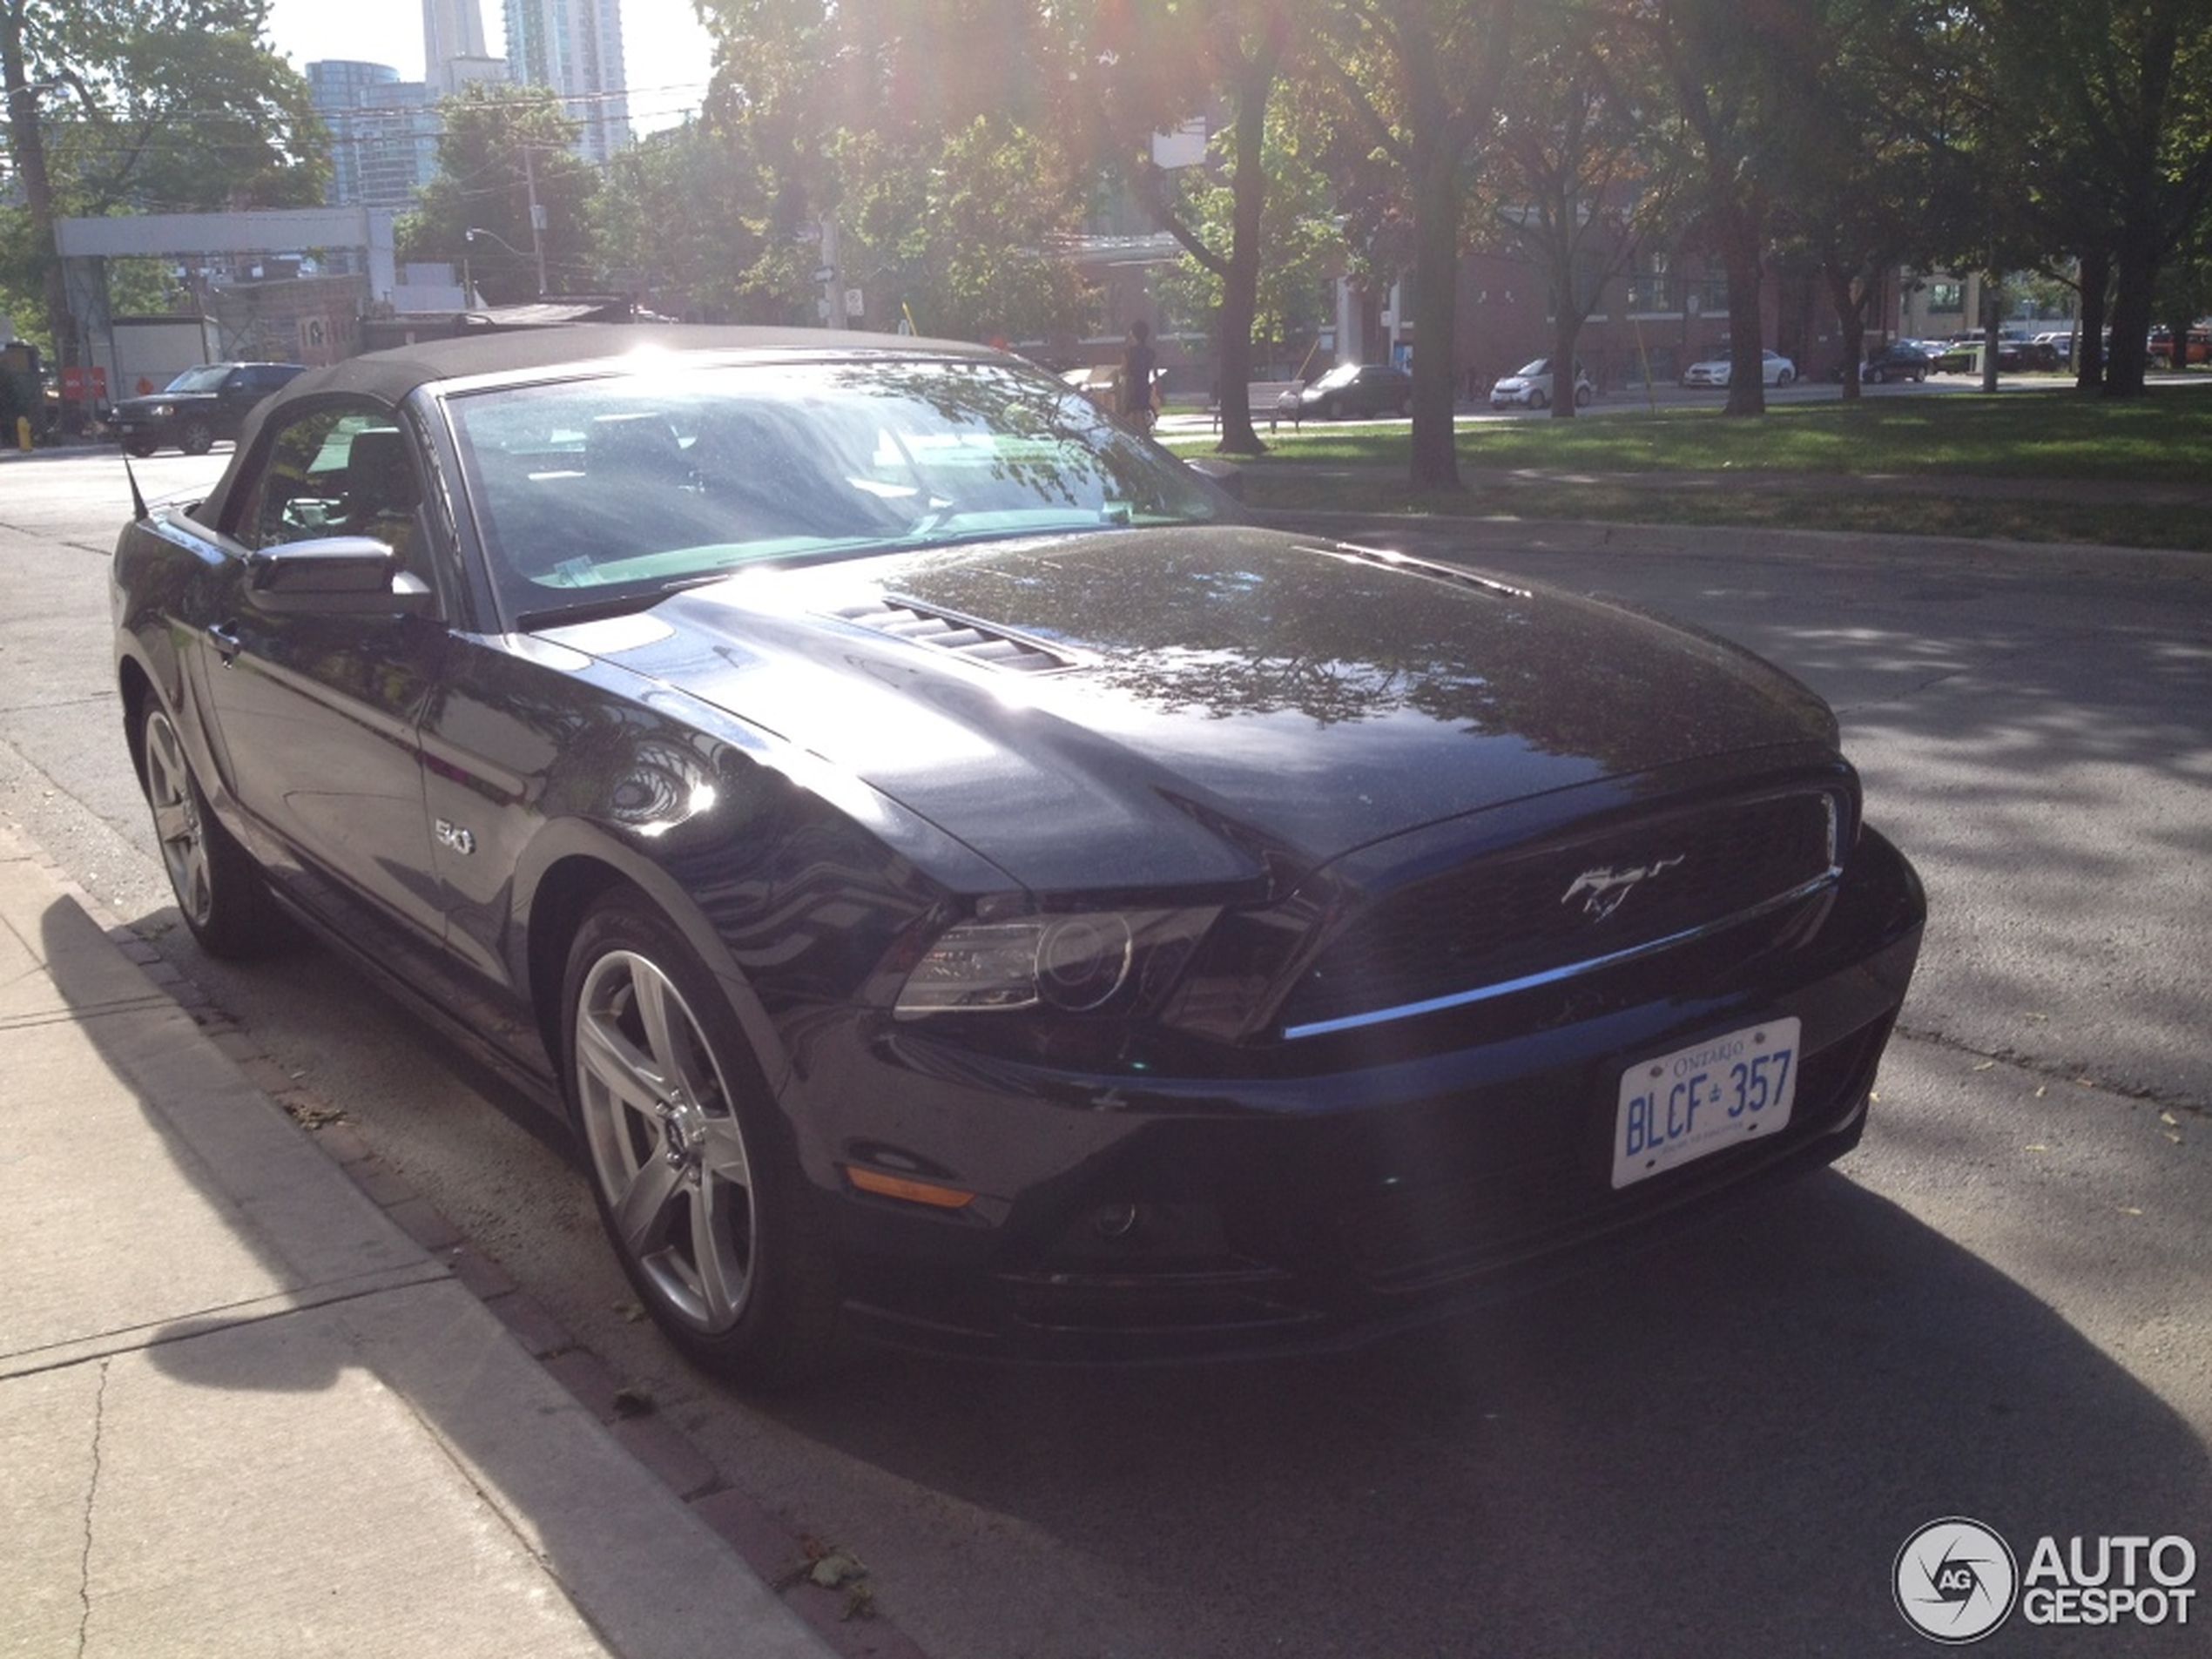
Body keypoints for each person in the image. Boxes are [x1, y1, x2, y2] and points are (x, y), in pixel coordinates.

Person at [1119, 320, 1157, 433]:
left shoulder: (1128, 353)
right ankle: (1144, 435)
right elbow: (1153, 371)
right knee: (1142, 414)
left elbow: (1123, 371)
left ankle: (1139, 439)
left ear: (1133, 334)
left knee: (1132, 416)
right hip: (1144, 385)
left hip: (1132, 387)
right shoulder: (1150, 352)